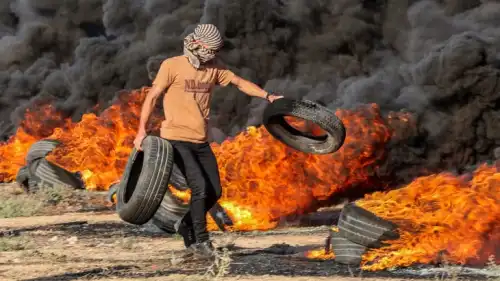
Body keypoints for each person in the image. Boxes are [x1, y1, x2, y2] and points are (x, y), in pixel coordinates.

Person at [133, 24, 283, 259]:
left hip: (200, 140)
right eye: (210, 50)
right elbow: (152, 97)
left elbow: (240, 83)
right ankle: (202, 242)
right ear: (197, 45)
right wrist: (141, 131)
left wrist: (268, 96)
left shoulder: (214, 68)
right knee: (200, 188)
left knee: (214, 191)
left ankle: (185, 225)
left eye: (216, 51)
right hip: (175, 138)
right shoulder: (172, 65)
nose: (213, 55)